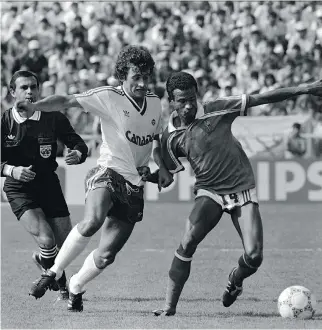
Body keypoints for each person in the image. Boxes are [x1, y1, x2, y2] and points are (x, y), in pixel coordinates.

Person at [153, 72, 322, 316]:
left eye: (192, 98)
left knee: (254, 256)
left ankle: (235, 279)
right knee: (188, 241)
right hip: (209, 191)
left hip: (241, 187)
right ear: (171, 101)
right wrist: (158, 171)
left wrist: (305, 88)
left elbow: (261, 98)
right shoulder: (171, 137)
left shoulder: (217, 109)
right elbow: (167, 169)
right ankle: (169, 307)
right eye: (182, 101)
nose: (189, 105)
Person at [18, 46, 173, 311]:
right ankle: (51, 273)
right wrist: (35, 106)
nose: (142, 82)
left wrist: (161, 167)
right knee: (92, 221)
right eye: (136, 76)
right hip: (108, 173)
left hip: (134, 184)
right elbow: (66, 101)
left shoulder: (155, 102)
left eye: (146, 76)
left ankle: (76, 287)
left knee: (106, 255)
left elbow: (156, 139)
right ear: (123, 75)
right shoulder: (107, 96)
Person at [1, 70, 88, 300]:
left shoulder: (53, 118)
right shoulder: (4, 122)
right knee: (47, 239)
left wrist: (78, 153)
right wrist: (12, 170)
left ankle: (42, 260)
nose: (30, 92)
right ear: (12, 92)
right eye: (24, 87)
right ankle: (63, 289)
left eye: (33, 87)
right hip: (19, 188)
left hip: (49, 185)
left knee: (65, 244)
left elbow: (77, 142)